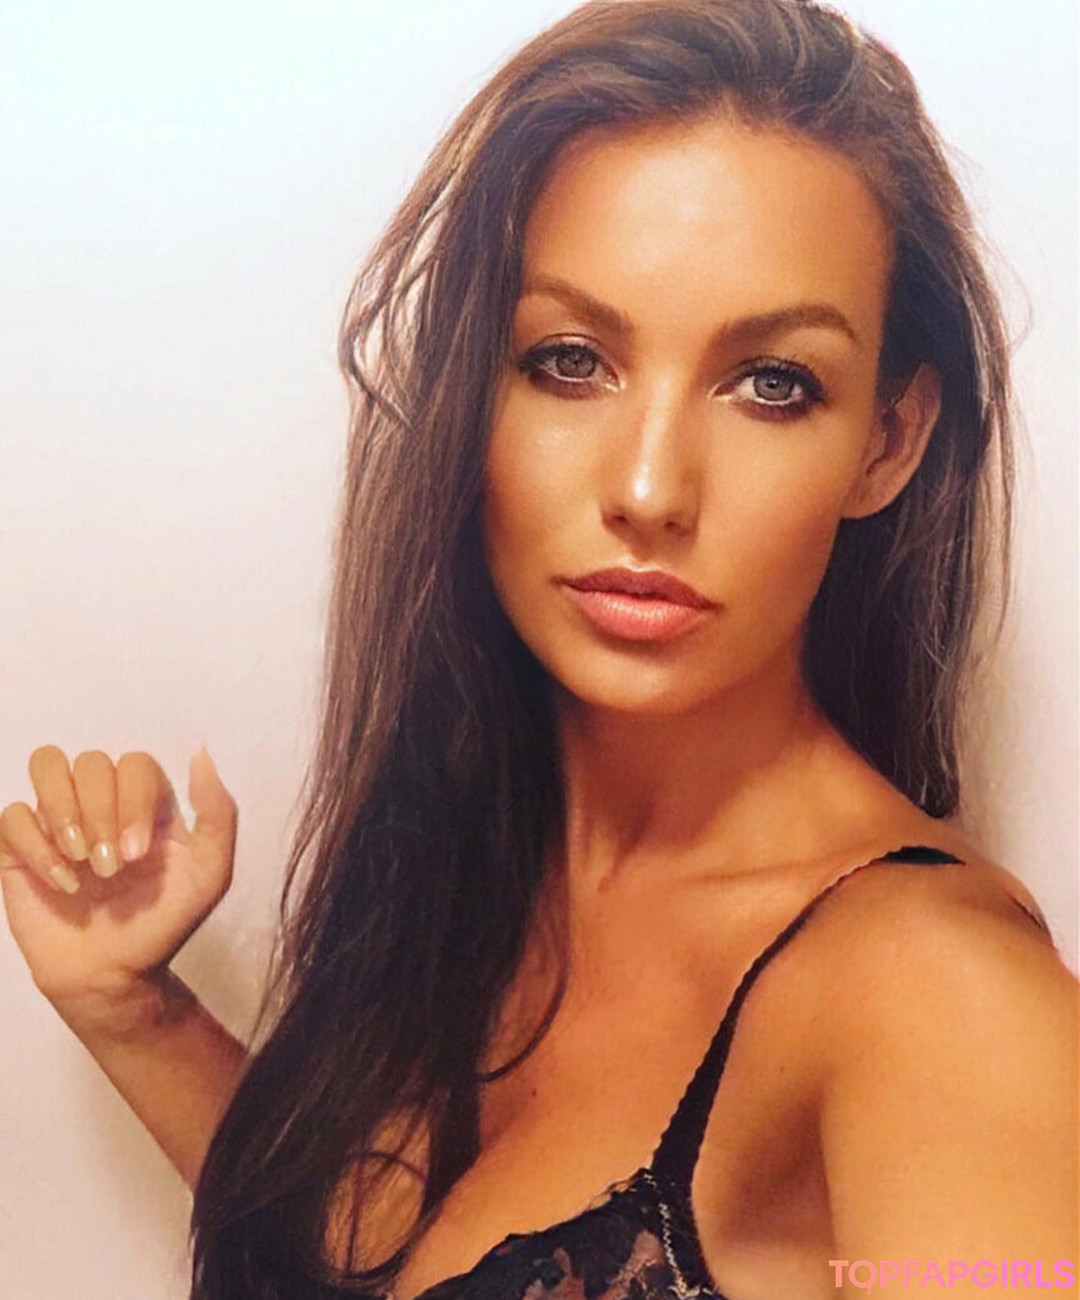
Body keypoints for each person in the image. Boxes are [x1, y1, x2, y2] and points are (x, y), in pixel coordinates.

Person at [1, 1, 1076, 1297]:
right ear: (474, 388)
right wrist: (138, 1013)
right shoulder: (477, 843)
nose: (649, 489)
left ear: (885, 444)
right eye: (570, 361)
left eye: (772, 383)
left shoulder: (944, 1005)